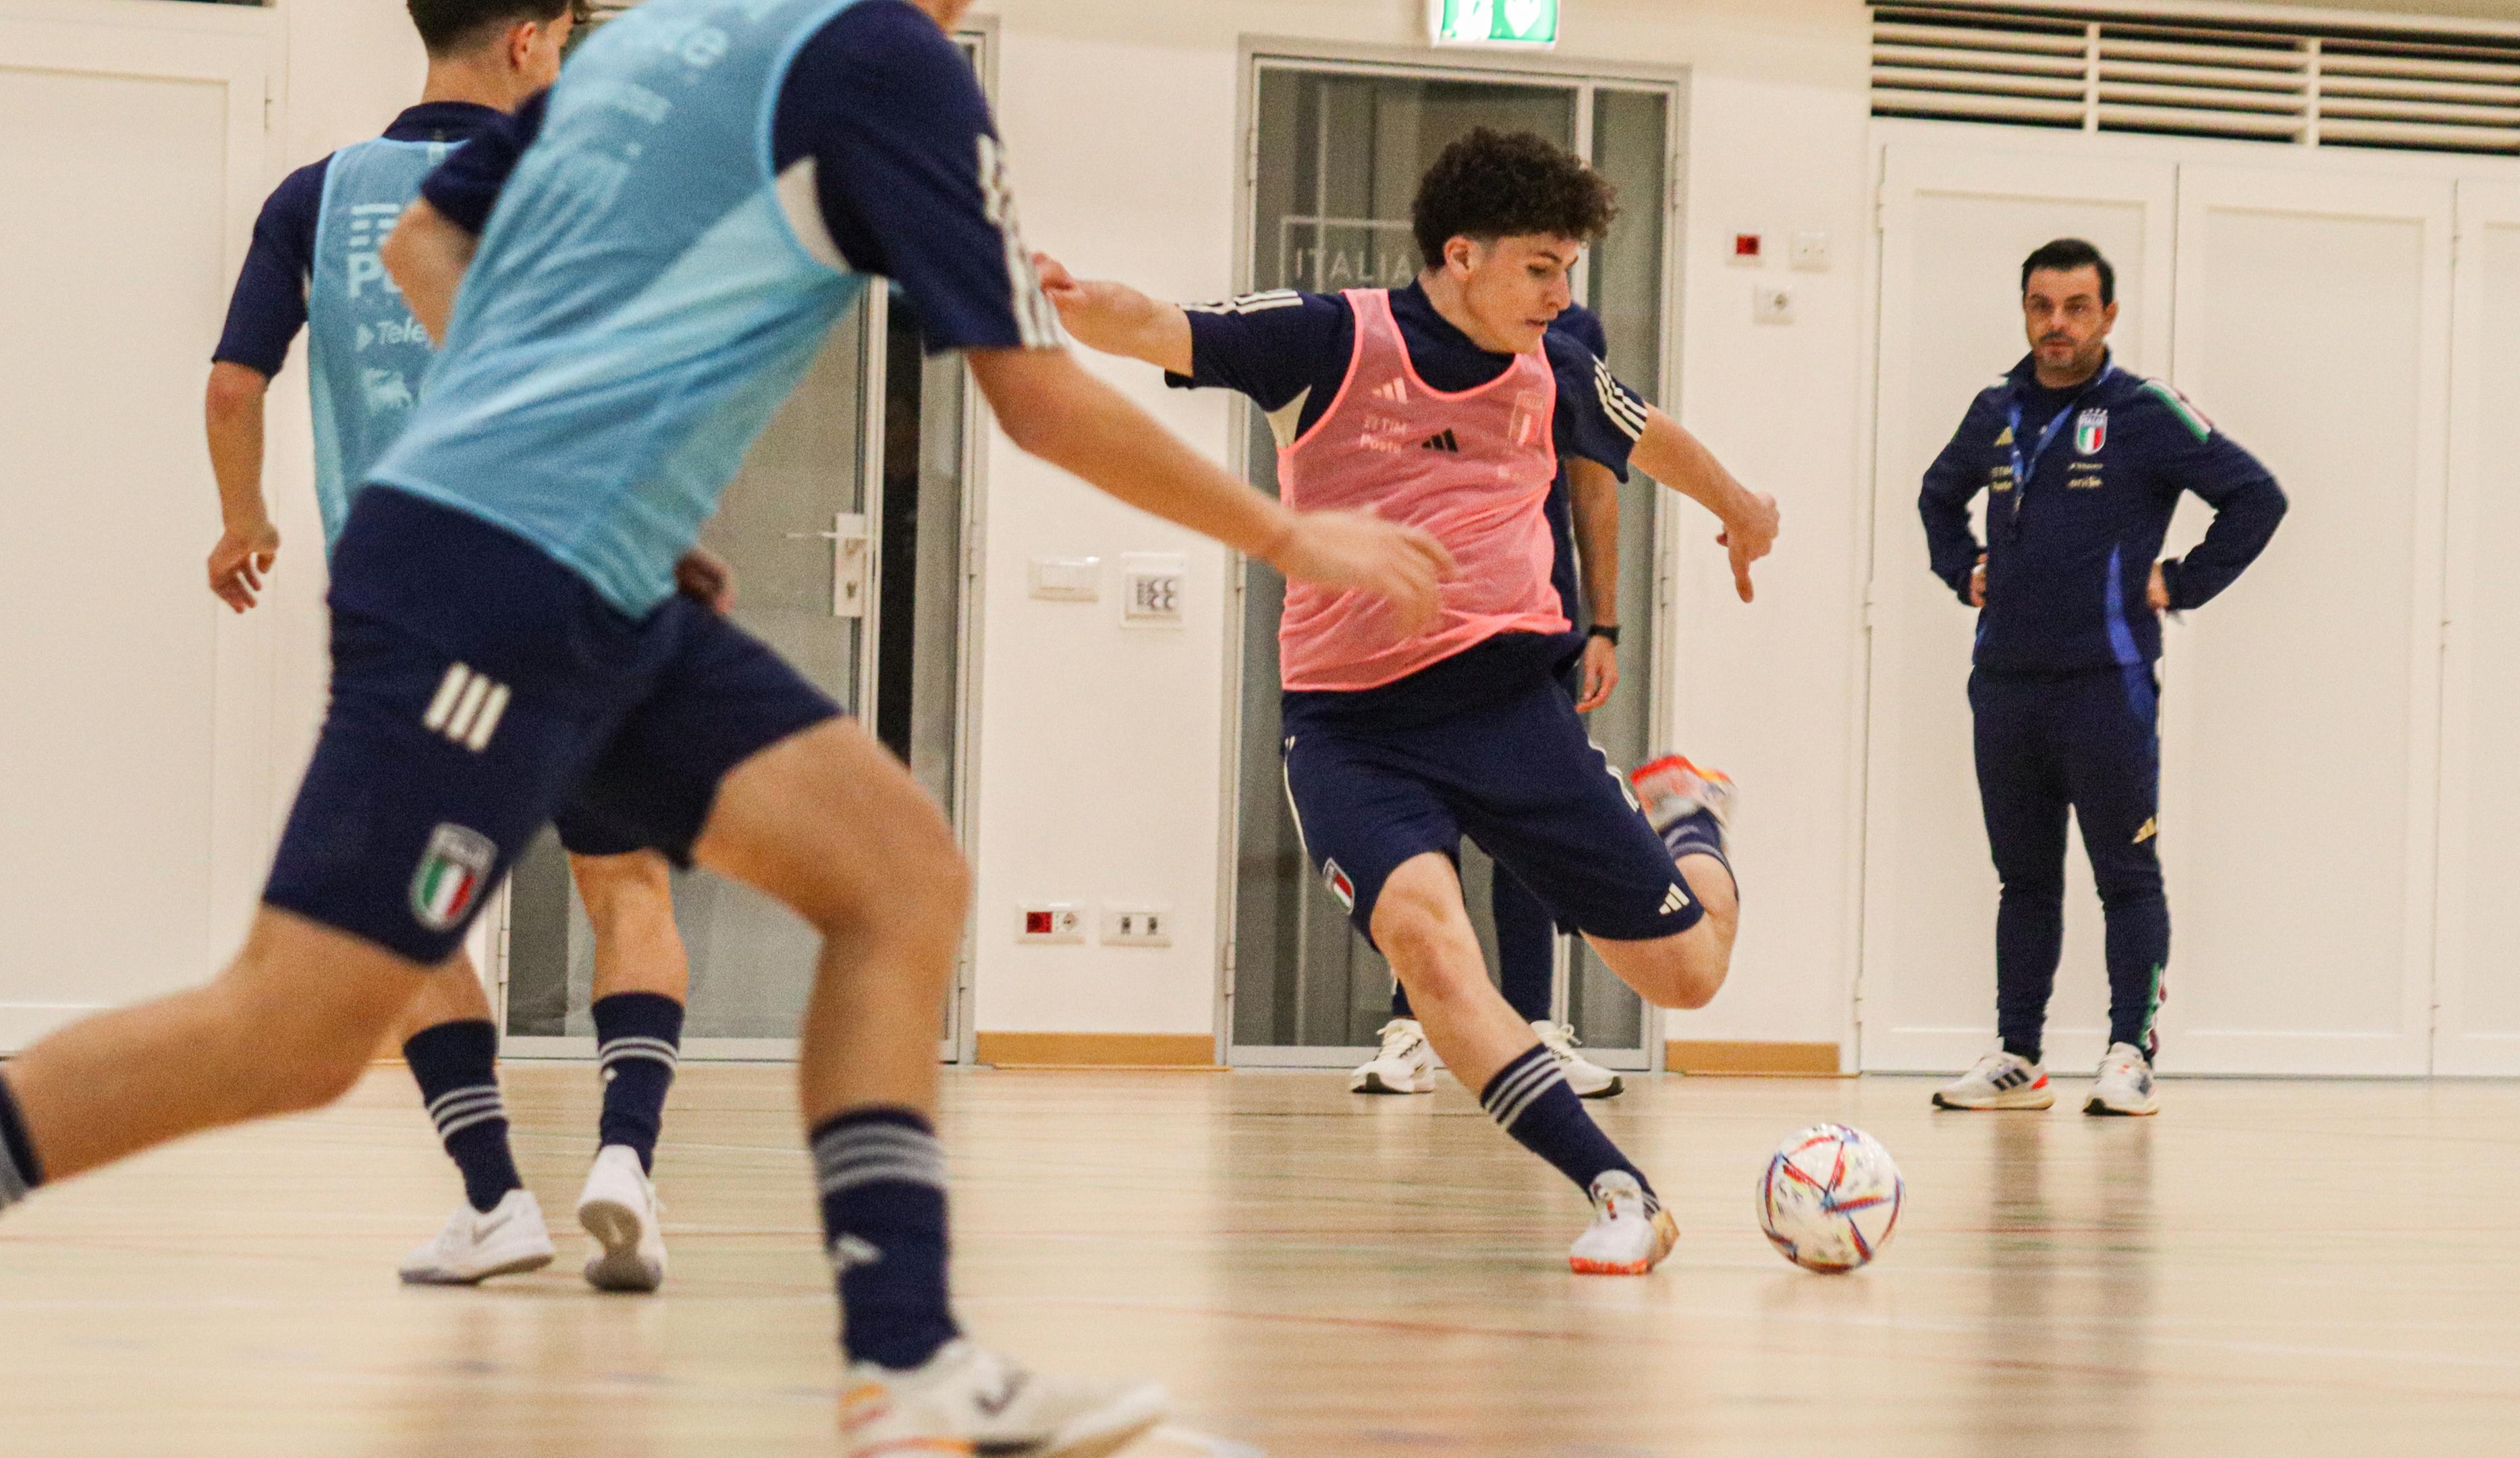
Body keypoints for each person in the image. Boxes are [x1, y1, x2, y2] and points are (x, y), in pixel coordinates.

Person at [0, 0, 1448, 1452]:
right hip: (493, 578)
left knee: (896, 875)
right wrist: (1293, 537)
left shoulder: (655, 37)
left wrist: (598, 451)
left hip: (600, 580)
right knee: (294, 1031)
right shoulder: (886, 61)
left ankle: (912, 1360)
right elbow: (1041, 401)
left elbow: (423, 253)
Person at [1039, 128, 1780, 1274]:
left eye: (1570, 269)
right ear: (1461, 254)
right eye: (1542, 267)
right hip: (1354, 732)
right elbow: (1165, 325)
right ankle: (1621, 1191)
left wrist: (1744, 505)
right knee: (1431, 950)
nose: (1561, 293)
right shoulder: (1333, 341)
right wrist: (1070, 300)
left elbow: (1652, 437)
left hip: (1511, 716)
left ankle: (1689, 819)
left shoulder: (1554, 371)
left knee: (1691, 976)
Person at [204, 0, 696, 1296]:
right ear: (534, 42)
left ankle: (494, 1201)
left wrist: (241, 519)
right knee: (627, 885)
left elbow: (233, 384)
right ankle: (626, 1165)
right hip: (581, 587)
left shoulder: (320, 195)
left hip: (417, 618)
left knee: (413, 923)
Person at [1919, 237, 2286, 1118]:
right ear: (2024, 311)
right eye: (2042, 306)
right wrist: (1959, 565)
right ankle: (2018, 1057)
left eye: (2076, 307)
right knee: (2024, 880)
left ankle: (2129, 1054)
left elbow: (2258, 496)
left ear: (2108, 315)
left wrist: (2183, 581)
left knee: (2126, 875)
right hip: (2005, 683)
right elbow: (1938, 492)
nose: (2057, 324)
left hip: (2107, 685)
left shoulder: (2145, 410)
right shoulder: (1996, 409)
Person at [1351, 304, 1626, 1101]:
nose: (1552, 279)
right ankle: (1415, 1026)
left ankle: (1536, 1029)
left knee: (1529, 822)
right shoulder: (1390, 329)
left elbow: (1593, 481)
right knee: (1420, 824)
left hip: (1531, 619)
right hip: (1417, 619)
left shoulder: (1571, 337)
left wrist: (1602, 621)